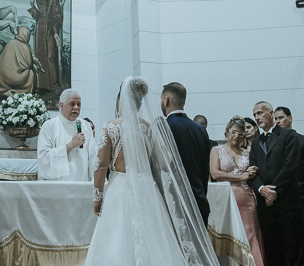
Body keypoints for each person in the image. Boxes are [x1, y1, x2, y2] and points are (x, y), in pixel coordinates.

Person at [85, 76, 219, 266]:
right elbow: (167, 161)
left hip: (120, 188)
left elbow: (101, 166)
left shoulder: (110, 127)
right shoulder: (149, 128)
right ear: (141, 102)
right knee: (153, 237)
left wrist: (97, 197)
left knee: (118, 237)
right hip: (147, 188)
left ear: (121, 99)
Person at [248, 101, 303, 266]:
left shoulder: (288, 135)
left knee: (292, 248)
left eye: (260, 113)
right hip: (265, 205)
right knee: (272, 250)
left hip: (287, 202)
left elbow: (290, 165)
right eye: (255, 114)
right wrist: (261, 189)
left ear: (271, 113)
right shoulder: (256, 142)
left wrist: (274, 190)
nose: (257, 117)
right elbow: (252, 170)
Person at [211, 116, 266, 266]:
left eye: (241, 134)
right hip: (225, 199)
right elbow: (215, 173)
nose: (237, 136)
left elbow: (255, 172)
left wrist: (253, 170)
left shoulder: (247, 153)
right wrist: (240, 175)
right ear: (227, 131)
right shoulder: (217, 150)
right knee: (228, 235)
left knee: (250, 234)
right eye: (234, 132)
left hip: (246, 198)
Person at [161, 82, 214, 226]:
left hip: (174, 203)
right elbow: (204, 169)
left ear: (166, 100)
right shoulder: (200, 129)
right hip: (199, 200)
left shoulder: (163, 127)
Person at [275, 106, 304, 266]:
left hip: (303, 197)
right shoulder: (276, 143)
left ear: (290, 118)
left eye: (281, 117)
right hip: (285, 199)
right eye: (276, 119)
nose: (278, 121)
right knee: (291, 241)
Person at [37, 88, 95, 180]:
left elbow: (93, 157)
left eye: (78, 104)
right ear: (61, 105)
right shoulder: (49, 126)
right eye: (72, 104)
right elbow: (44, 159)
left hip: (82, 184)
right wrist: (71, 145)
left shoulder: (86, 126)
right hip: (59, 187)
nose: (76, 107)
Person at [28, 0, 64, 98]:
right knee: (40, 56)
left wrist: (55, 31)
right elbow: (37, 16)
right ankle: (41, 85)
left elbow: (58, 15)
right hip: (40, 28)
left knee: (50, 56)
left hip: (49, 28)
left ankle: (54, 85)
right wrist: (32, 5)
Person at [0, 25, 36, 96]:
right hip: (17, 80)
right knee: (31, 73)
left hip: (3, 80)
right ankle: (23, 92)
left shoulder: (10, 42)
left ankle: (6, 89)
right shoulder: (25, 46)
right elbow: (29, 64)